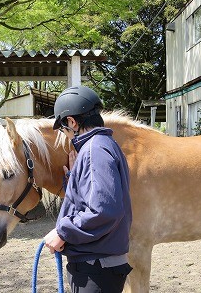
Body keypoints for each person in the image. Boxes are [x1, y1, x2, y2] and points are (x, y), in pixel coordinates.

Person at [44, 86, 133, 293]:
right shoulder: (102, 146)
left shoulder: (95, 150)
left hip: (96, 266)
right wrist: (74, 177)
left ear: (72, 122)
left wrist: (62, 232)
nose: (66, 135)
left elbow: (103, 210)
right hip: (99, 263)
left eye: (63, 128)